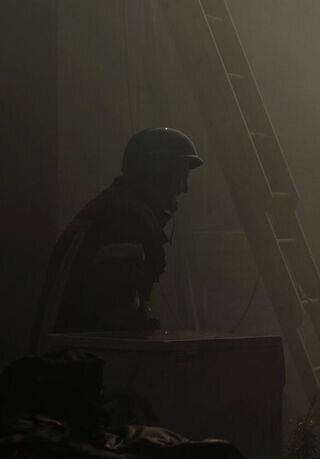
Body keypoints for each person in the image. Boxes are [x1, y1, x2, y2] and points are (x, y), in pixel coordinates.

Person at [33, 127, 203, 345]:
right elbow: (117, 309)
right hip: (77, 363)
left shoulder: (113, 208)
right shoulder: (126, 219)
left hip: (65, 356)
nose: (185, 188)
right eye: (182, 176)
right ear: (160, 172)